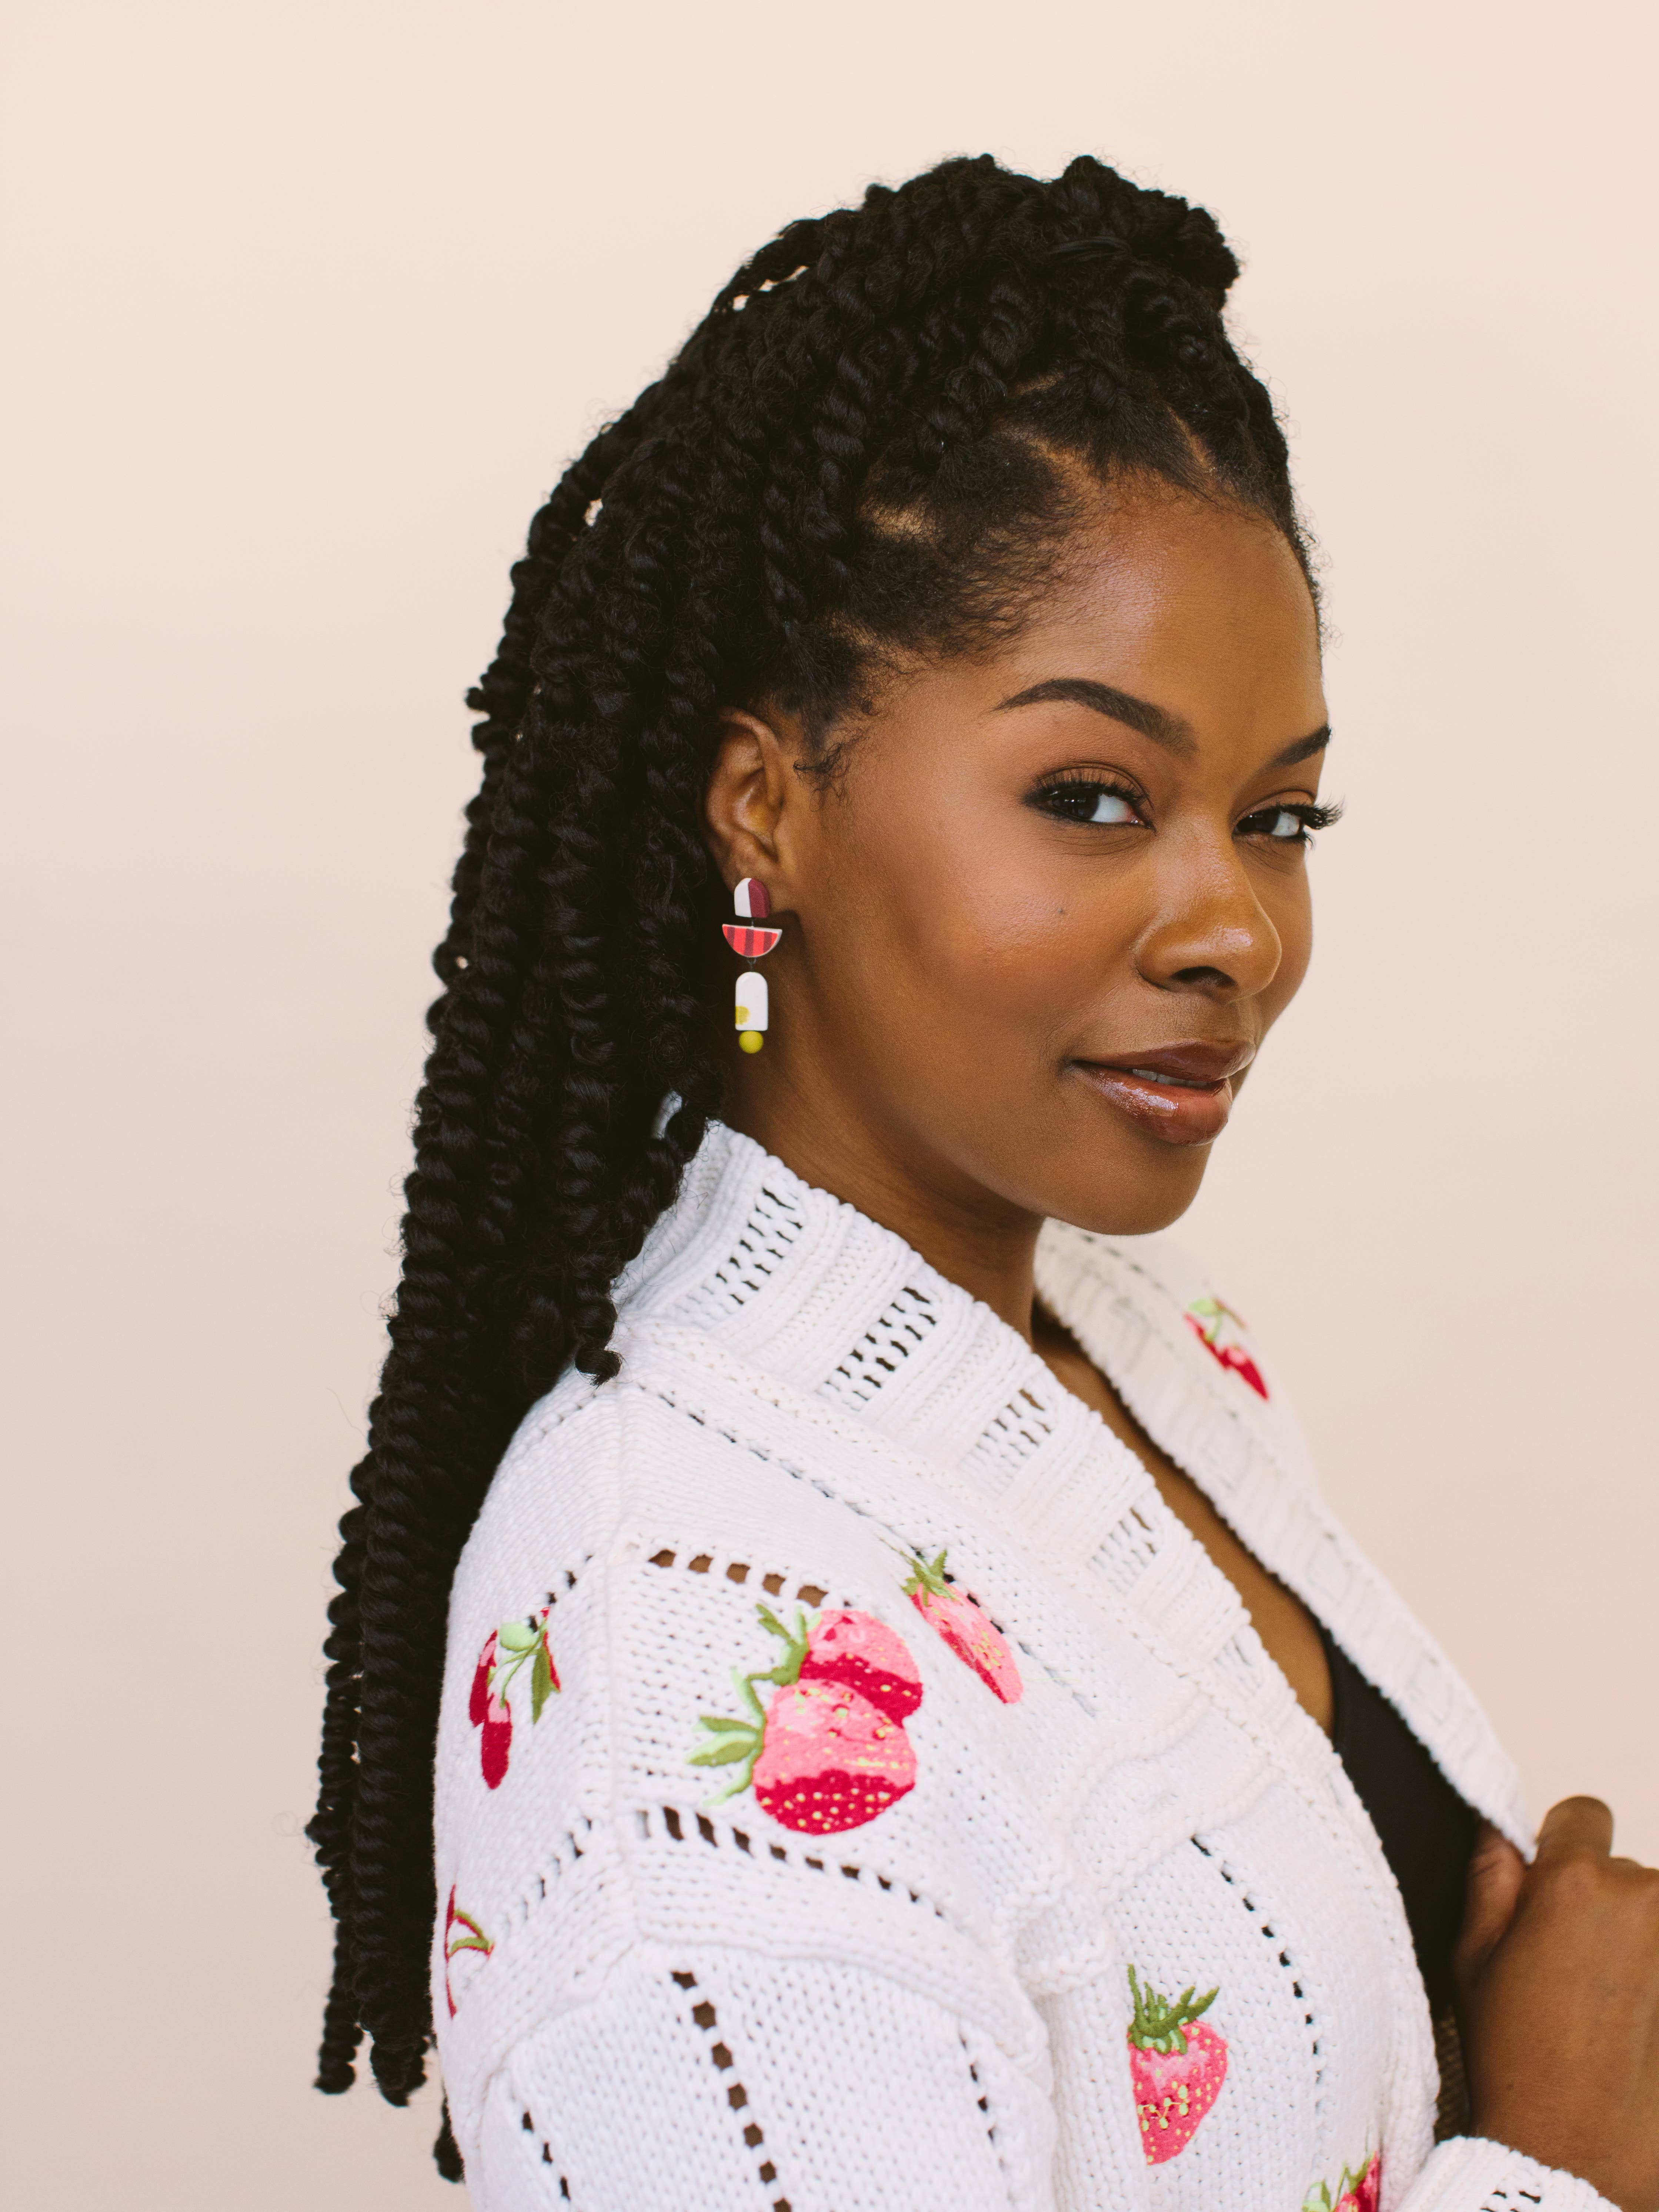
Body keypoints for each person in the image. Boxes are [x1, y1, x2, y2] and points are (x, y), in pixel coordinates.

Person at [308, 156, 1659, 2211]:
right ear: (765, 808)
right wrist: (1567, 2161)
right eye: (1094, 796)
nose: (1239, 929)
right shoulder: (677, 1647)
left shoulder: (1143, 1349)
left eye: (1280, 816)